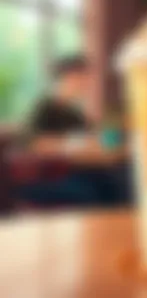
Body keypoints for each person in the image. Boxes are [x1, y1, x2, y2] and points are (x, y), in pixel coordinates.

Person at [18, 56, 122, 207]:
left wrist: (109, 135)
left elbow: (95, 138)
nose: (87, 84)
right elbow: (32, 142)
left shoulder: (74, 113)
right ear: (68, 77)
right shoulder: (44, 107)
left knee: (115, 184)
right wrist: (73, 144)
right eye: (83, 77)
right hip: (47, 177)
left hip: (77, 171)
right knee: (93, 192)